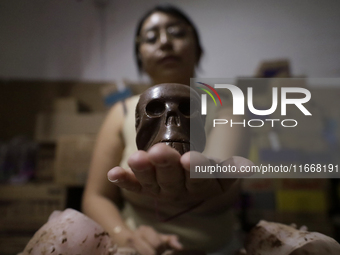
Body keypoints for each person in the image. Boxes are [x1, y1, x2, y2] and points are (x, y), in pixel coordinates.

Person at [82, 4, 251, 255]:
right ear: (139, 55)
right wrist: (126, 237)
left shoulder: (225, 107)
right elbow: (96, 197)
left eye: (177, 33)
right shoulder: (122, 112)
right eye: (151, 37)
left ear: (198, 48)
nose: (165, 42)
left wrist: (206, 186)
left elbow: (224, 185)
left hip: (215, 248)